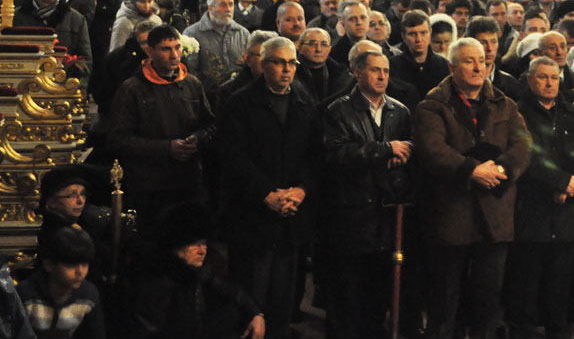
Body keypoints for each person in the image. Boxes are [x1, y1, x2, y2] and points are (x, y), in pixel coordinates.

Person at [413, 37, 531, 339]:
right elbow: (432, 149)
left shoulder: (505, 103)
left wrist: (501, 170)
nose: (478, 66)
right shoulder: (432, 105)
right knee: (445, 299)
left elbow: (523, 146)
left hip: (495, 213)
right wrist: (472, 171)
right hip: (452, 214)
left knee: (487, 299)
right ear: (452, 67)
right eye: (469, 60)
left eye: (482, 60)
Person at [217, 36, 320, 339]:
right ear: (263, 64)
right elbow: (233, 156)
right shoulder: (239, 102)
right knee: (250, 295)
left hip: (291, 215)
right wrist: (267, 193)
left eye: (291, 63)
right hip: (251, 213)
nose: (286, 69)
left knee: (282, 297)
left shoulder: (304, 101)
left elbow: (315, 155)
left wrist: (301, 190)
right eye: (278, 62)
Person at [321, 48, 415, 339]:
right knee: (349, 291)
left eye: (386, 71)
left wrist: (404, 154)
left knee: (378, 289)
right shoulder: (338, 110)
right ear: (357, 73)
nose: (382, 76)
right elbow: (335, 154)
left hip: (386, 213)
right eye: (375, 70)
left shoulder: (399, 111)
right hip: (352, 212)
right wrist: (384, 151)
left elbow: (409, 148)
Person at [508, 57, 574, 339]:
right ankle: (524, 330)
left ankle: (559, 329)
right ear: (530, 80)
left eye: (554, 78)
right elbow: (526, 157)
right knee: (527, 279)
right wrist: (559, 183)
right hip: (533, 208)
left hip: (569, 209)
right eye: (542, 77)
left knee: (561, 280)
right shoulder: (517, 113)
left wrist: (573, 185)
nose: (549, 83)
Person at [108, 25, 216, 223]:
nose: (174, 55)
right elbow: (118, 139)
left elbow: (209, 125)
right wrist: (166, 148)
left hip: (187, 180)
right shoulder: (132, 89)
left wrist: (197, 139)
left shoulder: (192, 84)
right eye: (166, 49)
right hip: (149, 184)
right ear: (150, 51)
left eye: (178, 48)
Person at [125, 201, 265, 339]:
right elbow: (148, 330)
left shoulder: (196, 272)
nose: (203, 251)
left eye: (204, 244)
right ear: (177, 245)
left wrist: (256, 314)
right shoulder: (159, 281)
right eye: (196, 245)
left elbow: (233, 291)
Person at [18, 226, 104, 339]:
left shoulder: (88, 295)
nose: (80, 272)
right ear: (49, 265)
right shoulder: (25, 294)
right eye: (71, 265)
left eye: (84, 264)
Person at [14, 0, 92, 78]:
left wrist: (72, 74)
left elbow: (85, 58)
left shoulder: (76, 19)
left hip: (62, 83)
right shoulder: (16, 16)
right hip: (25, 80)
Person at [182, 0, 249, 104]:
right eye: (223, 5)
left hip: (239, 97)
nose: (228, 9)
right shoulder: (192, 34)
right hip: (207, 97)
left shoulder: (242, 33)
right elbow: (189, 71)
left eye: (231, 4)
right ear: (210, 8)